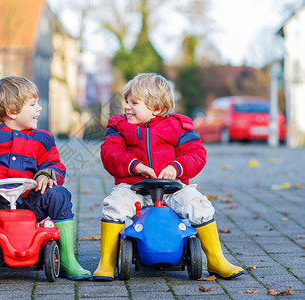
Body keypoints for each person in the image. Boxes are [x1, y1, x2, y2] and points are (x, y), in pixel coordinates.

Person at [0, 75, 91, 286]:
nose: (39, 108)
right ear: (11, 111)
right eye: (33, 104)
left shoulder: (42, 138)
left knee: (59, 194)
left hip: (29, 202)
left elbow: (54, 164)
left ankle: (67, 259)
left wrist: (45, 175)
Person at [93, 73, 244, 281]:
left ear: (156, 108)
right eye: (126, 101)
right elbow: (110, 154)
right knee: (114, 206)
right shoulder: (120, 128)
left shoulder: (177, 126)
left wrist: (177, 166)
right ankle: (106, 263)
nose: (127, 107)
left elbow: (196, 154)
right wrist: (134, 165)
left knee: (198, 204)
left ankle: (216, 259)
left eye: (134, 103)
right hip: (133, 187)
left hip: (172, 188)